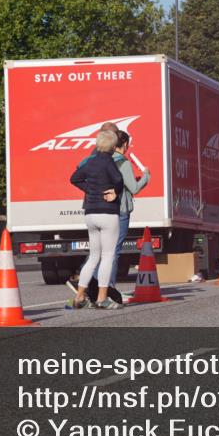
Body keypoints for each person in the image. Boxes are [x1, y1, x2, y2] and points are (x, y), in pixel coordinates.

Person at [69, 129, 124, 309]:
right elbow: (118, 179)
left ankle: (79, 296)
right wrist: (114, 193)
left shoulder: (90, 162)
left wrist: (90, 190)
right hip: (107, 213)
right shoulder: (108, 162)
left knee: (93, 256)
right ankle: (102, 298)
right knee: (107, 256)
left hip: (90, 213)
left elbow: (74, 178)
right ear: (114, 146)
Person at [110, 130, 149, 287]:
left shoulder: (105, 160)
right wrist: (146, 176)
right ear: (125, 144)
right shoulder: (123, 162)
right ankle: (109, 287)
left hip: (106, 209)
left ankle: (92, 284)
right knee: (114, 250)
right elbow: (133, 188)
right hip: (121, 210)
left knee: (103, 249)